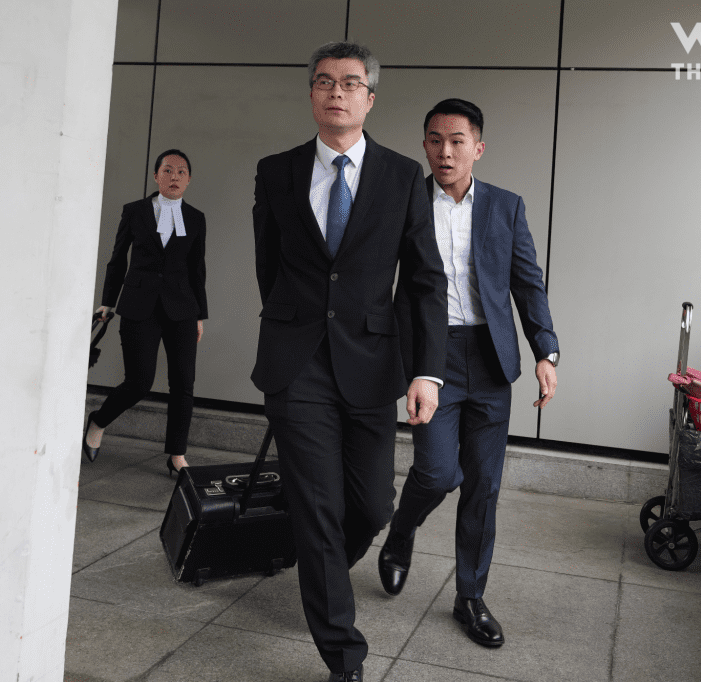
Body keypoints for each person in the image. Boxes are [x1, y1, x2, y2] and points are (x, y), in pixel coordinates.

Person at [251, 42, 447, 682]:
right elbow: (269, 266)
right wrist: (291, 325)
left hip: (371, 361)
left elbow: (424, 280)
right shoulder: (276, 171)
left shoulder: (401, 177)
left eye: (350, 83)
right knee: (317, 507)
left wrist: (426, 371)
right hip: (297, 364)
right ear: (312, 94)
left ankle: (323, 564)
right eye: (324, 81)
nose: (336, 91)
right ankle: (344, 656)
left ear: (370, 98)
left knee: (370, 507)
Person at [381, 99, 560, 648]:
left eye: (457, 141)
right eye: (435, 140)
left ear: (477, 148)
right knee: (437, 472)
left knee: (483, 485)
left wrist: (546, 352)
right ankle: (402, 531)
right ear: (425, 146)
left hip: (490, 358)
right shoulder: (406, 203)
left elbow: (527, 282)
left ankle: (470, 596)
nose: (445, 152)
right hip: (431, 358)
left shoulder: (506, 206)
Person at [82, 149, 207, 476]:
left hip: (182, 309)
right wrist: (108, 302)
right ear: (156, 176)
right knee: (139, 382)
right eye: (168, 170)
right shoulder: (135, 211)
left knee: (184, 383)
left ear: (189, 180)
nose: (174, 176)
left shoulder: (196, 218)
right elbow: (117, 259)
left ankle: (177, 455)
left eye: (181, 171)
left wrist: (200, 315)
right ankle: (98, 421)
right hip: (140, 306)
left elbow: (197, 270)